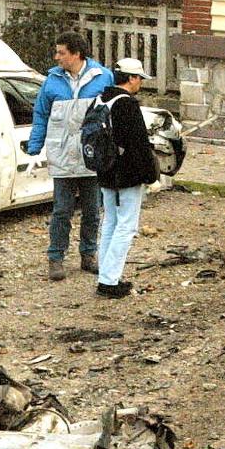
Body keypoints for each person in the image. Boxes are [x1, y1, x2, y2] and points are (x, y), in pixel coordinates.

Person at [28, 31, 114, 281]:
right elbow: (40, 114)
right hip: (63, 153)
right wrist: (35, 147)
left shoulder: (102, 77)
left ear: (76, 54)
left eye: (61, 52)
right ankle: (56, 258)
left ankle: (88, 254)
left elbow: (111, 112)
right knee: (62, 210)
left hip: (90, 155)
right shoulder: (52, 80)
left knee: (92, 209)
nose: (57, 57)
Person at [93, 58, 158, 299]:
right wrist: (151, 175)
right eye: (139, 78)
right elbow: (139, 144)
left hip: (105, 169)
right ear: (131, 78)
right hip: (126, 173)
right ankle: (109, 281)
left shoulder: (101, 99)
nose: (140, 82)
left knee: (110, 222)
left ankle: (106, 275)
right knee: (127, 226)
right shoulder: (127, 105)